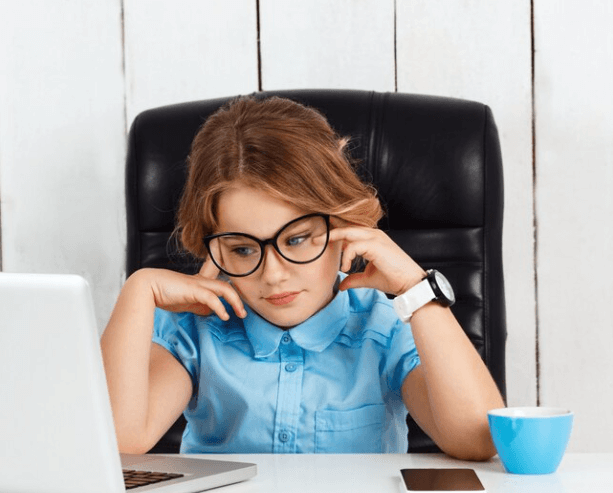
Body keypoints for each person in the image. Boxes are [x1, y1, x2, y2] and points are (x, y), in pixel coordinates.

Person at [101, 96, 504, 460]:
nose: (273, 275)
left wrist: (417, 291)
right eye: (242, 249)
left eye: (296, 240)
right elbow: (119, 441)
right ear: (214, 248)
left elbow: (478, 439)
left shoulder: (384, 325)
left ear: (344, 225)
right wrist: (139, 291)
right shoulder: (195, 328)